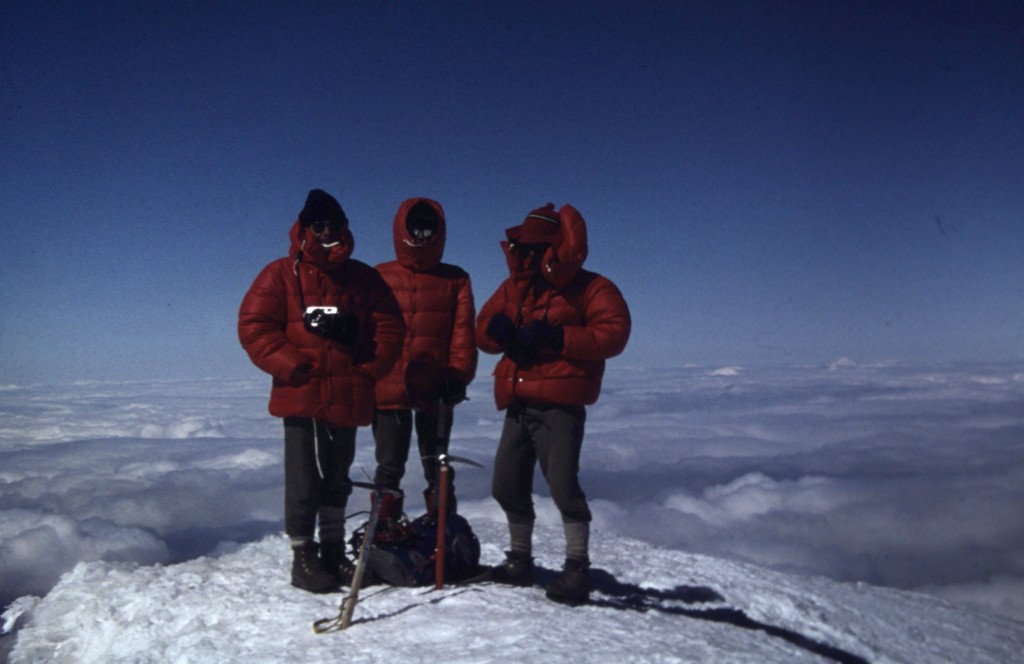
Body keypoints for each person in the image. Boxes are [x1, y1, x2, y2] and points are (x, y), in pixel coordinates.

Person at [238, 189, 404, 593]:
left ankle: (332, 549)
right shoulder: (280, 274)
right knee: (302, 478)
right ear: (304, 229)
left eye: (334, 224)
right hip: (301, 391)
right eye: (319, 224)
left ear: (345, 228)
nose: (327, 231)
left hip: (347, 390)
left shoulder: (364, 277)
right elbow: (254, 326)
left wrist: (366, 367)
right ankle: (303, 555)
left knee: (337, 474)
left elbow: (389, 328)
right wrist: (292, 363)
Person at [476, 202, 631, 604]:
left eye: (535, 247)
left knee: (563, 485)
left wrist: (557, 339)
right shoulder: (515, 287)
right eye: (522, 246)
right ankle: (519, 561)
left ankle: (577, 567)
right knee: (506, 483)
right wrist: (496, 333)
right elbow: (483, 331)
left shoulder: (591, 287)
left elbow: (613, 334)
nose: (526, 254)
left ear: (556, 247)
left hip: (560, 405)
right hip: (518, 399)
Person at [371, 197, 477, 535]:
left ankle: (443, 534)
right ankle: (384, 532)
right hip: (389, 383)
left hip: (437, 385)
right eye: (414, 227)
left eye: (427, 228)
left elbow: (462, 332)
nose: (420, 235)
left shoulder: (455, 279)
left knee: (438, 464)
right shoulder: (379, 276)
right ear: (401, 229)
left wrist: (458, 375)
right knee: (389, 464)